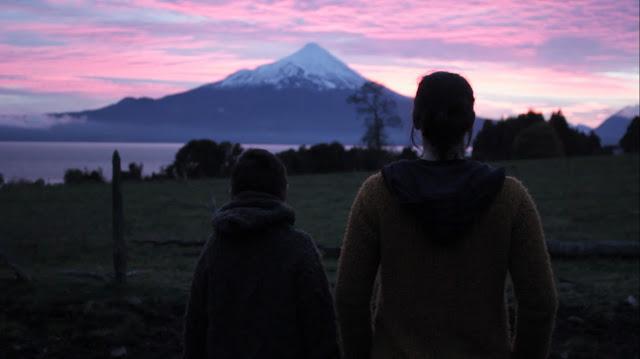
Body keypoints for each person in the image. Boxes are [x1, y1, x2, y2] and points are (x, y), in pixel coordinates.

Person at [335, 71, 558, 359]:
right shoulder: (509, 198)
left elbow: (349, 296)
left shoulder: (377, 194)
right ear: (470, 123)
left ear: (417, 121)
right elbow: (541, 302)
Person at [183, 149, 339, 359]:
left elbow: (194, 332)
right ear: (282, 191)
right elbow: (322, 332)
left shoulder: (215, 248)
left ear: (233, 190)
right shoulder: (300, 249)